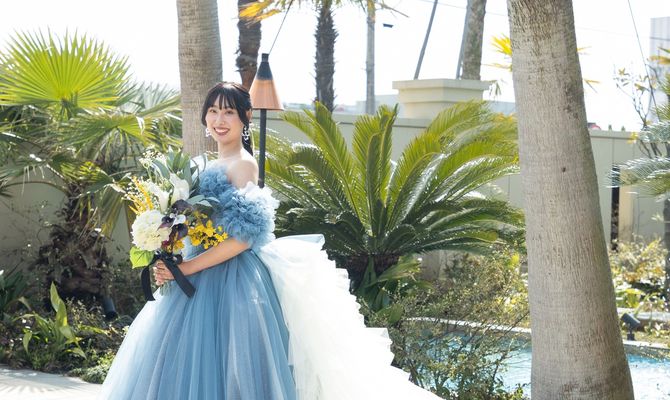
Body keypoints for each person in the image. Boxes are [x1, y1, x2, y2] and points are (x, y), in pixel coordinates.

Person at [99, 82, 440, 400]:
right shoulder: (206, 164)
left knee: (232, 368)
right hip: (196, 273)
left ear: (245, 117)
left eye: (229, 112)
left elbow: (244, 238)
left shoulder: (243, 165)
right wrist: (168, 252)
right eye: (213, 111)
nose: (219, 120)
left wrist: (187, 267)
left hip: (231, 281)